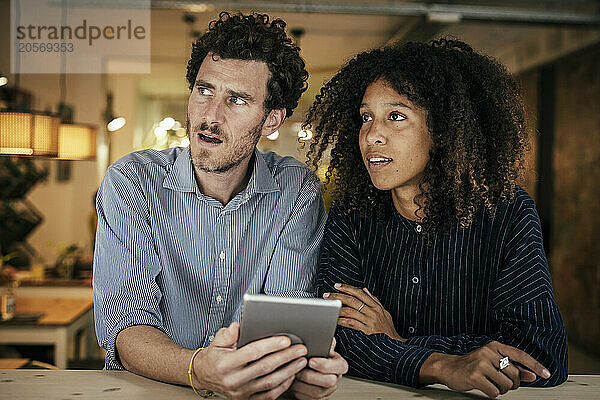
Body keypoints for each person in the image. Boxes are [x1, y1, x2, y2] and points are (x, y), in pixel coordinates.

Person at [94, 12, 346, 400]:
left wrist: (302, 370)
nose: (210, 116)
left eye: (237, 100)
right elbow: (126, 327)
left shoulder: (296, 191)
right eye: (205, 91)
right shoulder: (133, 183)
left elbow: (283, 326)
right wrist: (199, 369)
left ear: (271, 120)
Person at [305, 38, 567, 398]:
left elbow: (540, 356)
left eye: (395, 116)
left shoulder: (507, 213)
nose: (371, 135)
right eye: (366, 117)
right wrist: (443, 364)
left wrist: (397, 340)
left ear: (442, 131)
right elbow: (334, 337)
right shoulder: (352, 213)